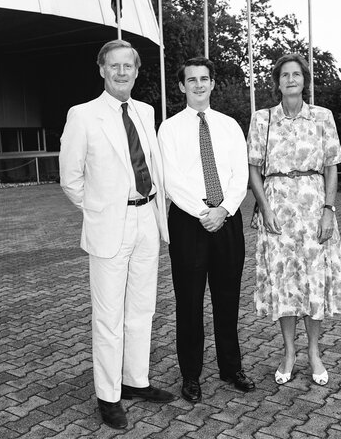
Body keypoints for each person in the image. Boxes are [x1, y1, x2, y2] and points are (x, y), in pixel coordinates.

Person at [59, 39, 173, 430]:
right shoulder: (83, 115)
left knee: (142, 309)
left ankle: (135, 380)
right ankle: (108, 395)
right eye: (114, 66)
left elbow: (153, 166)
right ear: (101, 70)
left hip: (147, 222)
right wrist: (101, 211)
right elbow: (70, 179)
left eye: (129, 66)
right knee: (108, 316)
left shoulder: (145, 111)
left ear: (137, 71)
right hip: (111, 225)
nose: (122, 72)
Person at [247, 53, 341, 387]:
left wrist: (328, 210)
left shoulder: (323, 117)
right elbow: (253, 167)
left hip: (312, 210)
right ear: (277, 82)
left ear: (304, 81)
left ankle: (314, 351)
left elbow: (332, 165)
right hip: (277, 211)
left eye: (297, 75)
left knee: (314, 281)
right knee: (285, 283)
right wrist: (264, 207)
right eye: (285, 75)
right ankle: (289, 351)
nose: (291, 79)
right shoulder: (262, 119)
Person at [157, 57, 255, 403]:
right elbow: (171, 179)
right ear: (182, 86)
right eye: (191, 80)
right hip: (189, 221)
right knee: (189, 302)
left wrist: (224, 209)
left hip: (226, 219)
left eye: (204, 79)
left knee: (227, 300)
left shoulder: (229, 125)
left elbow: (238, 174)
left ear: (213, 84)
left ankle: (231, 369)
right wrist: (203, 212)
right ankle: (191, 375)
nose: (198, 85)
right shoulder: (168, 129)